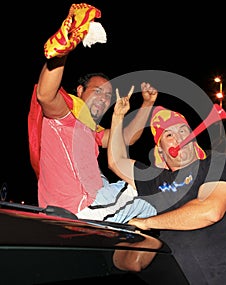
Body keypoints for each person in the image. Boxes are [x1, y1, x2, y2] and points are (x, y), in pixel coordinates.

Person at [27, 3, 158, 218]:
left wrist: (146, 104)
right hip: (77, 207)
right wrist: (63, 52)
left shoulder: (90, 129)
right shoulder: (67, 115)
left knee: (143, 237)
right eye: (98, 92)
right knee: (153, 192)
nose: (104, 99)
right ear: (80, 90)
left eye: (108, 96)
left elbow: (126, 138)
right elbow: (45, 95)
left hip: (90, 206)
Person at [107, 95, 226, 284]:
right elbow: (116, 161)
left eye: (184, 130)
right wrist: (118, 116)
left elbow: (210, 210)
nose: (179, 137)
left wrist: (147, 222)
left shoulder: (216, 164)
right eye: (169, 135)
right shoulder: (154, 180)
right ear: (160, 151)